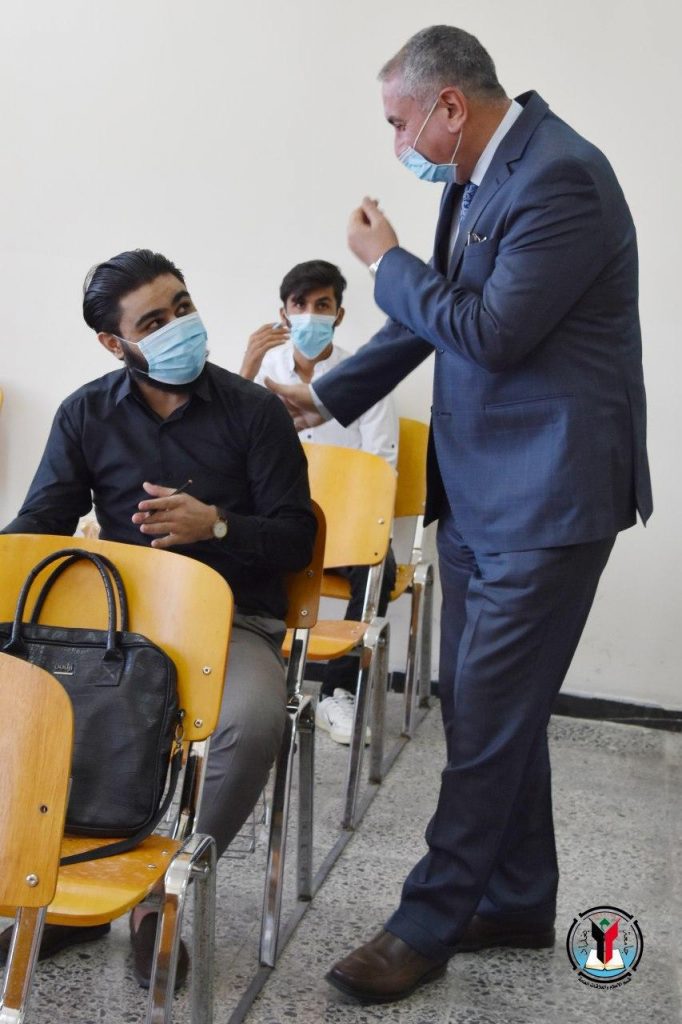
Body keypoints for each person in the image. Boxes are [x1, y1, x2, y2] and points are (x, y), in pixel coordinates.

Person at [264, 25, 653, 1004]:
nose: (397, 143)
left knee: (484, 715)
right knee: (485, 704)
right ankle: (517, 901)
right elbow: (432, 314)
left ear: (449, 105)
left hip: (548, 496)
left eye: (399, 122)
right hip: (481, 490)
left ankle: (426, 920)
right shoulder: (479, 177)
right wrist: (325, 394)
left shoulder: (561, 177)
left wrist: (386, 258)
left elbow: (490, 331)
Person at [0, 248, 317, 988]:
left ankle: (155, 897)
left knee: (253, 723)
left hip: (234, 623)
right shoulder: (86, 413)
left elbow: (297, 538)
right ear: (115, 343)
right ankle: (70, 894)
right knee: (36, 707)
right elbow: (42, 523)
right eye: (153, 321)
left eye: (182, 306)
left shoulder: (255, 412)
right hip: (121, 632)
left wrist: (218, 526)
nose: (179, 326)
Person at [241, 259, 398, 745]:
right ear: (284, 313)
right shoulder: (262, 373)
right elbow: (228, 449)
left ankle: (336, 692)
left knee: (380, 568)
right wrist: (246, 369)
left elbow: (382, 464)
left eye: (322, 304)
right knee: (229, 550)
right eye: (300, 304)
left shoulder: (361, 377)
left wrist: (353, 524)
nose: (310, 314)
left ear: (339, 314)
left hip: (346, 525)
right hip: (278, 516)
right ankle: (254, 681)